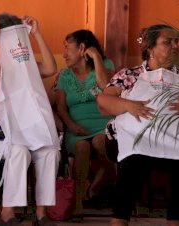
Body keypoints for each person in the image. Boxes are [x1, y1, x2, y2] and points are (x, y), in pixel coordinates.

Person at [0, 13, 60, 226]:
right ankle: (8, 213)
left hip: (19, 133)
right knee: (18, 150)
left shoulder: (19, 64)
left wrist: (37, 35)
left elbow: (50, 69)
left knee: (50, 151)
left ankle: (41, 213)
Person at [97, 24, 179, 226]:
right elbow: (103, 103)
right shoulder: (130, 75)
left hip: (174, 144)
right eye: (167, 42)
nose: (174, 46)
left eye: (175, 42)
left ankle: (176, 221)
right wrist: (128, 104)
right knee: (132, 163)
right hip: (135, 143)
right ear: (150, 48)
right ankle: (119, 221)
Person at [54, 29, 115, 222]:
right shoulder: (64, 75)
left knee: (100, 143)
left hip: (103, 126)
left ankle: (98, 185)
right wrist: (71, 125)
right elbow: (61, 108)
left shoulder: (106, 65)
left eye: (67, 48)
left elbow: (108, 88)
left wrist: (96, 57)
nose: (63, 54)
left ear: (81, 48)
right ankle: (78, 202)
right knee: (81, 147)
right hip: (76, 129)